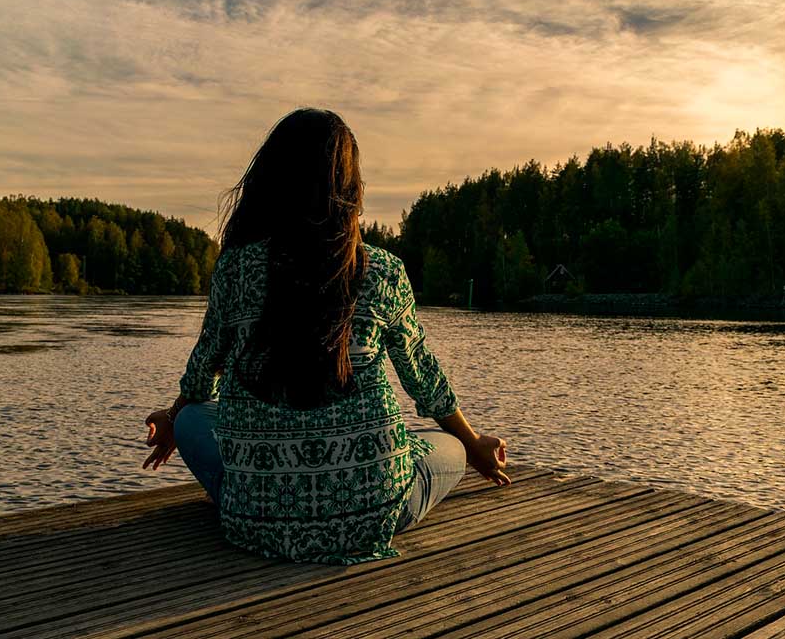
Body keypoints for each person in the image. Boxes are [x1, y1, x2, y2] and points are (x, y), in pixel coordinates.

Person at [142, 108, 510, 565]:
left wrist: (175, 417)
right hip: (372, 514)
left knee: (195, 418)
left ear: (270, 181)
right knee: (449, 446)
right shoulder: (382, 270)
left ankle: (256, 495)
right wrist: (474, 445)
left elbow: (202, 372)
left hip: (255, 521)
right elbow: (424, 380)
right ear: (350, 188)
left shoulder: (236, 267)